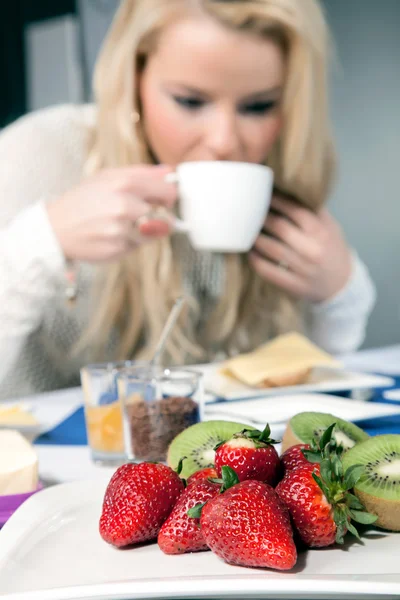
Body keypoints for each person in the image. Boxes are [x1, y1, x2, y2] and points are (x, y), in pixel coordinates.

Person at [0, 0, 375, 400]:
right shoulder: (37, 154)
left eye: (259, 106)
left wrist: (341, 299)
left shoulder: (278, 175)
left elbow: (313, 399)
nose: (224, 141)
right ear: (133, 78)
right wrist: (36, 246)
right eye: (190, 101)